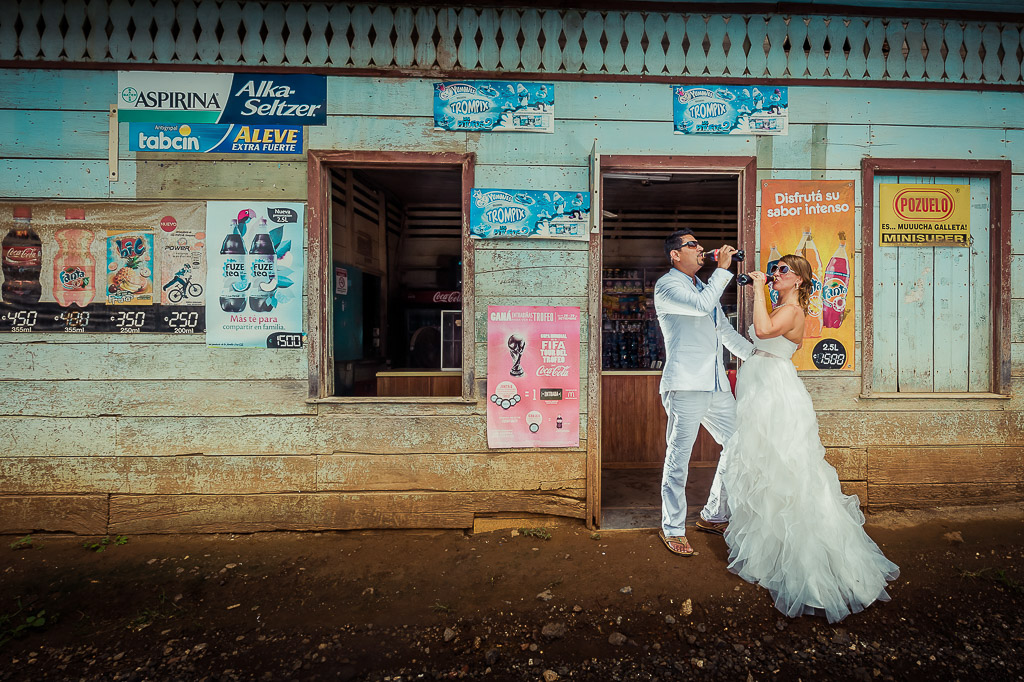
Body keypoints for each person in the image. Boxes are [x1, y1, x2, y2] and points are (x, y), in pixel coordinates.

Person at [721, 254, 899, 622]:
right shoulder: (779, 306)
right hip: (761, 386)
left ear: (799, 280)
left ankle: (810, 562)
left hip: (775, 391)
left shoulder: (791, 311)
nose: (775, 274)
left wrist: (756, 289)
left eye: (783, 270)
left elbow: (765, 331)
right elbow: (757, 338)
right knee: (766, 465)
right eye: (774, 270)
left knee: (788, 465)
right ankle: (773, 548)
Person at [654, 230, 754, 557]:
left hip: (716, 386)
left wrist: (760, 356)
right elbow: (700, 307)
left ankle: (713, 514)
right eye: (692, 245)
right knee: (679, 457)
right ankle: (672, 527)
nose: (699, 249)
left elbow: (725, 333)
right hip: (685, 385)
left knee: (740, 443)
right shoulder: (668, 286)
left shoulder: (702, 287)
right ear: (675, 255)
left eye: (699, 244)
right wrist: (723, 269)